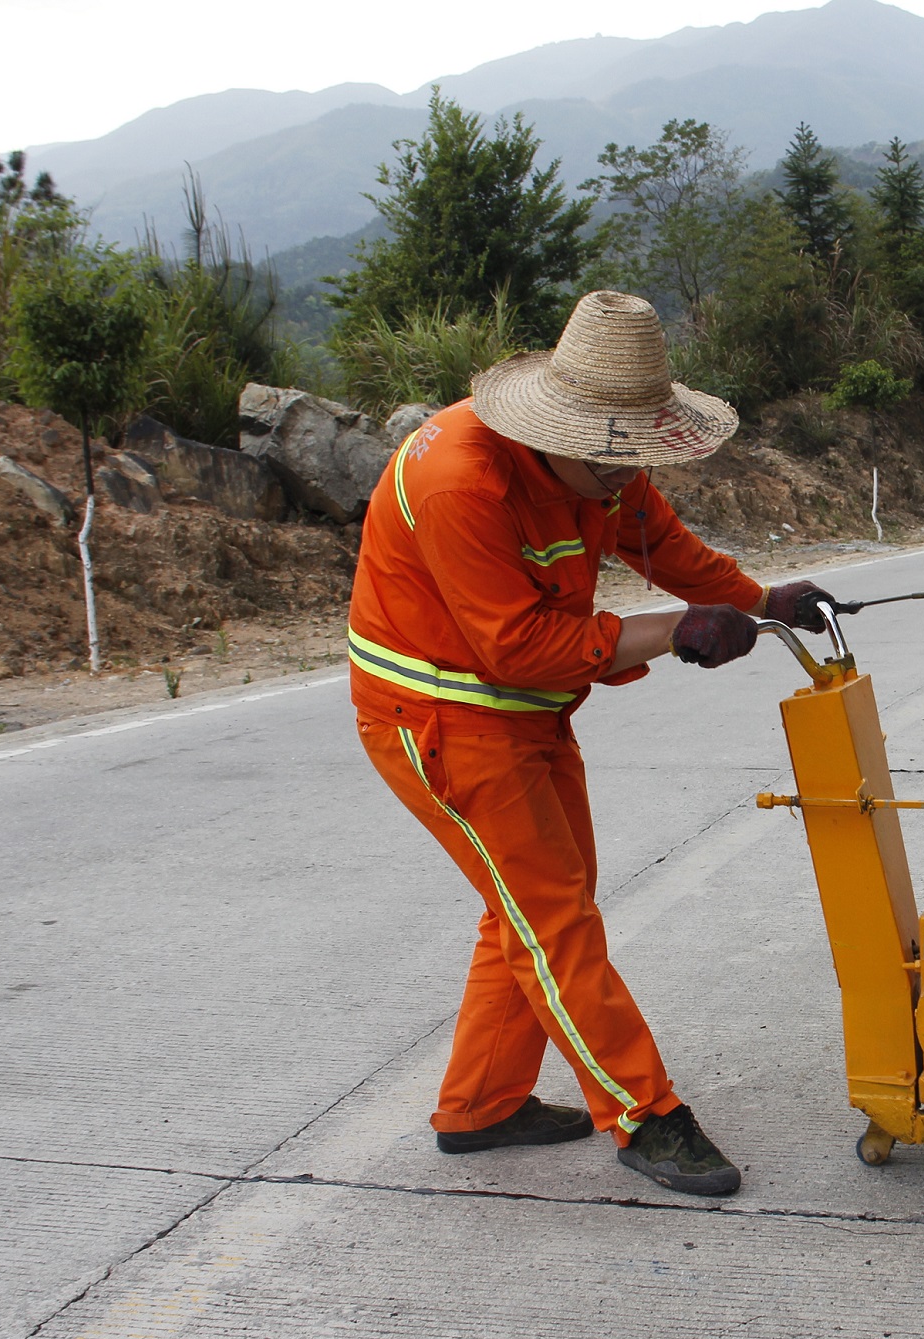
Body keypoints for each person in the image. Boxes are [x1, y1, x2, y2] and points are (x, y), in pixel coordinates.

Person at [345, 290, 836, 1197]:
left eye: (637, 456)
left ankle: (482, 1105)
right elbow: (518, 646)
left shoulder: (601, 461)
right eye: (613, 458)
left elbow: (664, 546)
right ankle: (646, 1115)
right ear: (553, 428)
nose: (626, 476)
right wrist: (671, 633)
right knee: (554, 921)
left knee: (536, 907)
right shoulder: (460, 482)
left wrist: (761, 600)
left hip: (526, 711)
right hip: (442, 720)